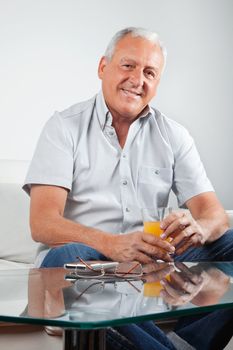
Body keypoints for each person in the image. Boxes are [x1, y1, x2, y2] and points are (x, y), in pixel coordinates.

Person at [23, 27, 233, 349]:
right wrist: (112, 244)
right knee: (62, 258)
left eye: (150, 72)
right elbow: (43, 223)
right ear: (102, 67)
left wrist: (200, 228)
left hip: (154, 262)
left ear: (158, 83)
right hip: (89, 259)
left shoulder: (174, 135)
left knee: (230, 239)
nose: (138, 80)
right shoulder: (63, 127)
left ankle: (187, 341)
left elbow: (214, 214)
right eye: (128, 65)